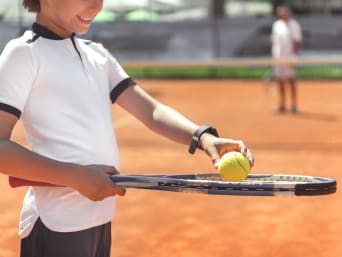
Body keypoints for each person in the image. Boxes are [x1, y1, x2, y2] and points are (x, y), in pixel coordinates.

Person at [0, 1, 253, 257]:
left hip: (99, 219)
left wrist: (203, 137)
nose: (96, 6)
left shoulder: (96, 54)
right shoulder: (23, 54)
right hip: (55, 224)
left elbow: (151, 112)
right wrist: (74, 176)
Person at [271, 6, 302, 114]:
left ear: (289, 13)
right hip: (278, 58)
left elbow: (297, 41)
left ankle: (294, 105)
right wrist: (275, 57)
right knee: (280, 81)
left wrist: (293, 57)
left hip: (289, 58)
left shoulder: (294, 25)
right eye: (282, 13)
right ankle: (282, 105)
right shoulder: (276, 25)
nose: (284, 15)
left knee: (291, 80)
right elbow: (275, 42)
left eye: (286, 13)